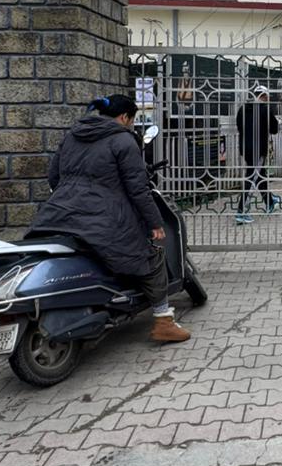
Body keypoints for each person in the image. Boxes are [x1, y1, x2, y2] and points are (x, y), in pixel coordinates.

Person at [30, 94, 190, 342]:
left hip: (57, 214)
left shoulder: (73, 135)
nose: (131, 125)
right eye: (132, 120)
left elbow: (53, 177)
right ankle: (163, 321)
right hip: (103, 218)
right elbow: (138, 189)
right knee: (151, 256)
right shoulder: (123, 140)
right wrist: (155, 223)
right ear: (125, 117)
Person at [236, 83, 279, 225]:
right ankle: (242, 211)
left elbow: (239, 126)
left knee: (259, 175)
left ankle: (269, 202)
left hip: (246, 149)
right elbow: (274, 129)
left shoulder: (242, 109)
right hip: (259, 149)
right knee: (252, 177)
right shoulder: (265, 109)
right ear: (264, 96)